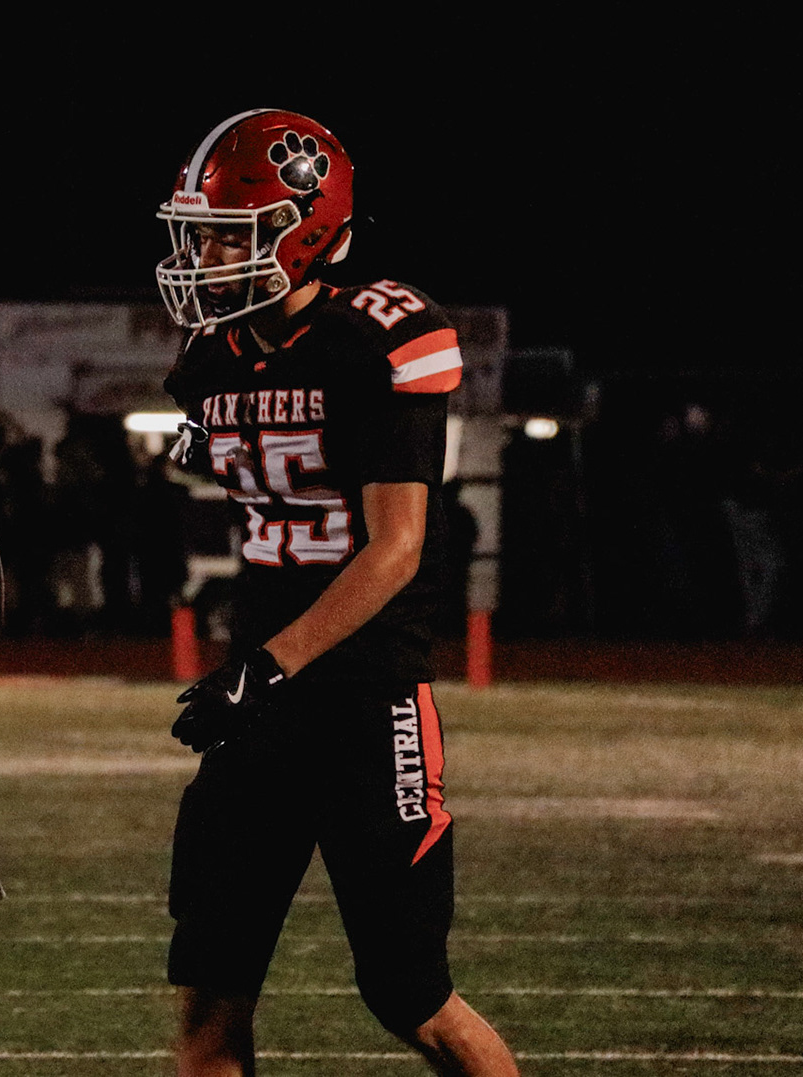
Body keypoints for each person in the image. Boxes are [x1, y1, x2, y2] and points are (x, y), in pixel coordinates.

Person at [152, 109, 520, 1077]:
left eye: (229, 234)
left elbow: (395, 550)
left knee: (411, 993)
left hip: (366, 699)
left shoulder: (377, 336)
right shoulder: (210, 359)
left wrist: (264, 668)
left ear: (304, 229)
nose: (204, 256)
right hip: (259, 712)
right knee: (210, 994)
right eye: (201, 234)